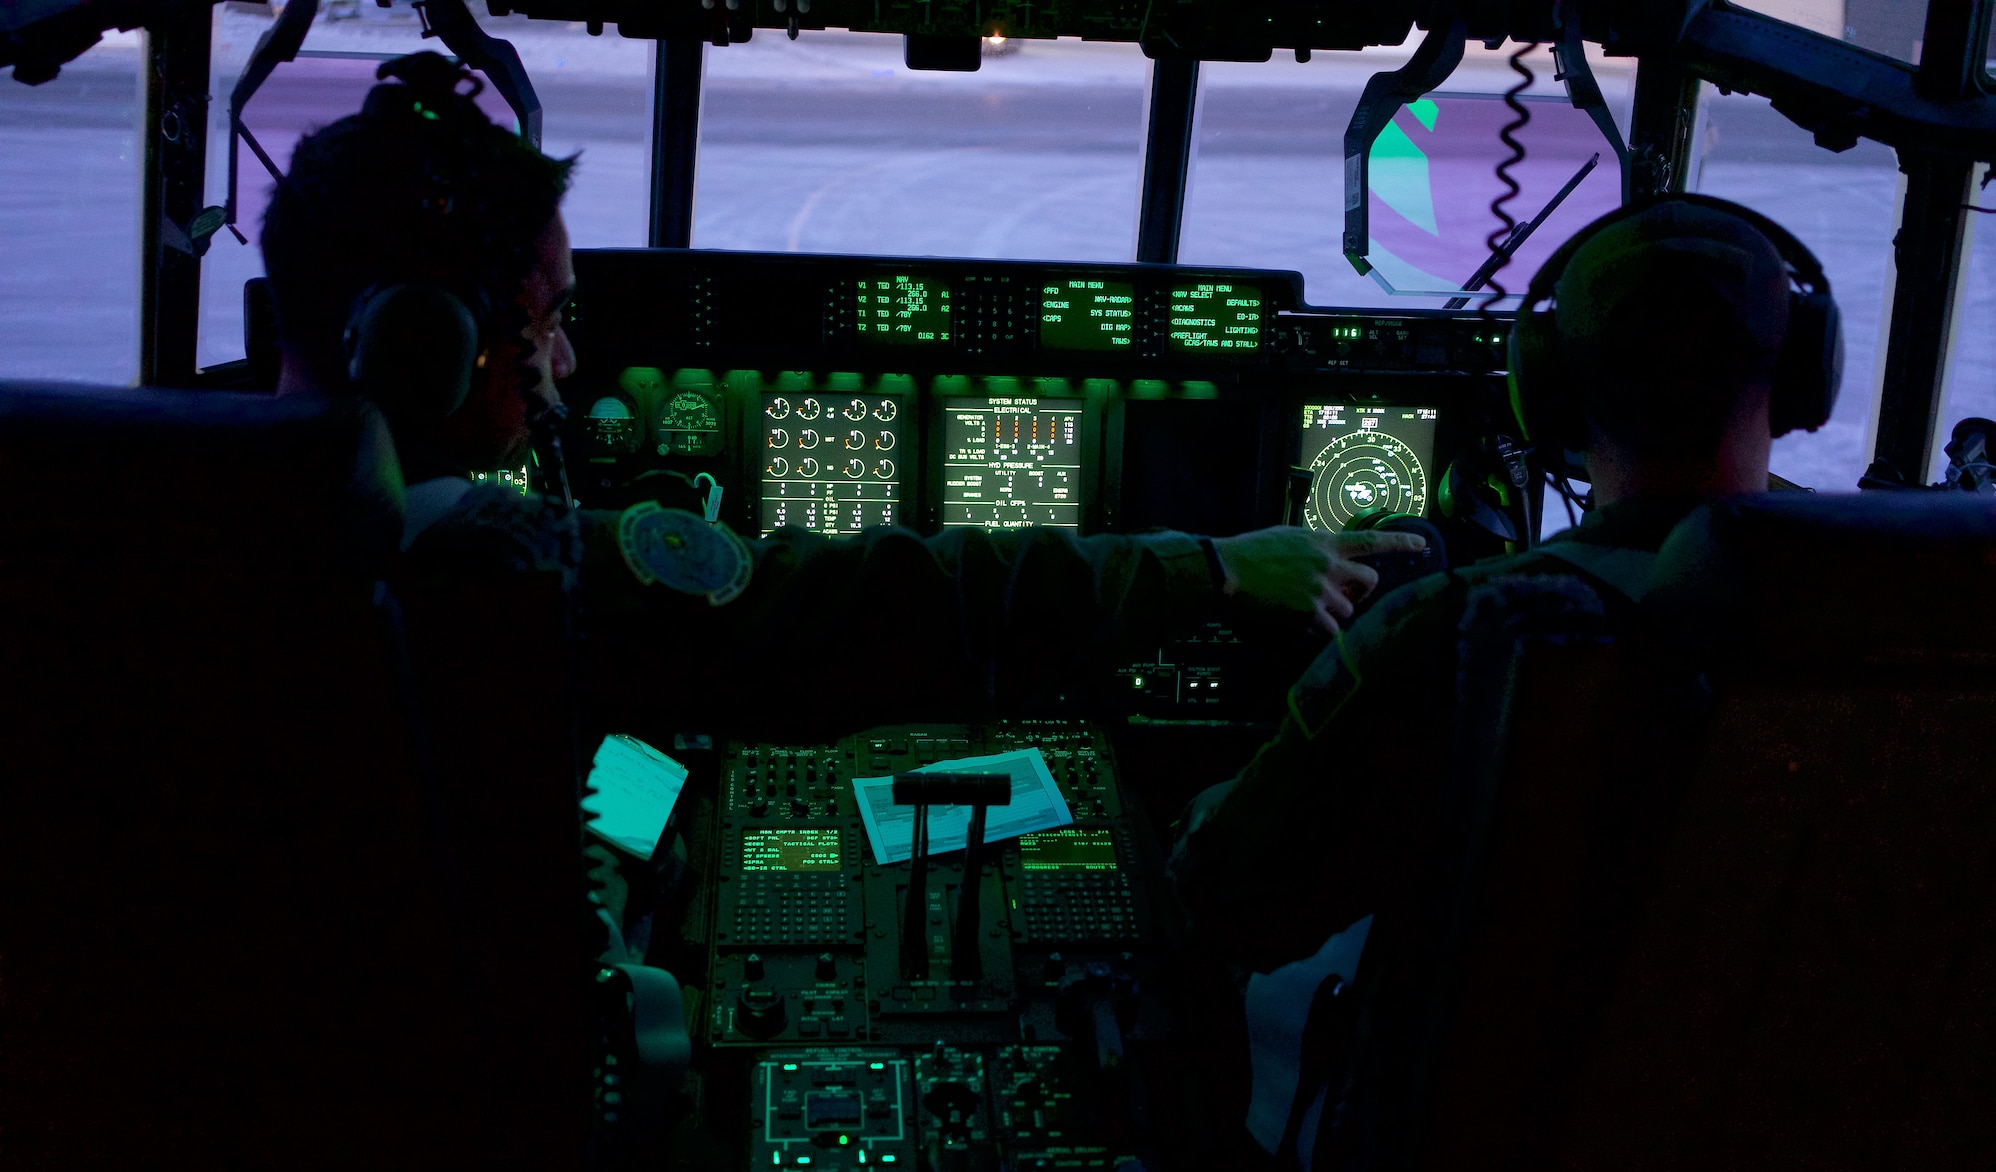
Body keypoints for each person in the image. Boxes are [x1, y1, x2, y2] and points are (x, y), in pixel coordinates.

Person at [260, 52, 1422, 739]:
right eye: (552, 318)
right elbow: (858, 604)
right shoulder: (483, 561)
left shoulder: (147, 515)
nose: (564, 364)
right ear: (432, 341)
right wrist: (1213, 568)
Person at [1170, 195, 1838, 973]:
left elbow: (1222, 905)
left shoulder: (1459, 632)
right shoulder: (1901, 616)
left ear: (1544, 389)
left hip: (1483, 1091)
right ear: (1801, 379)